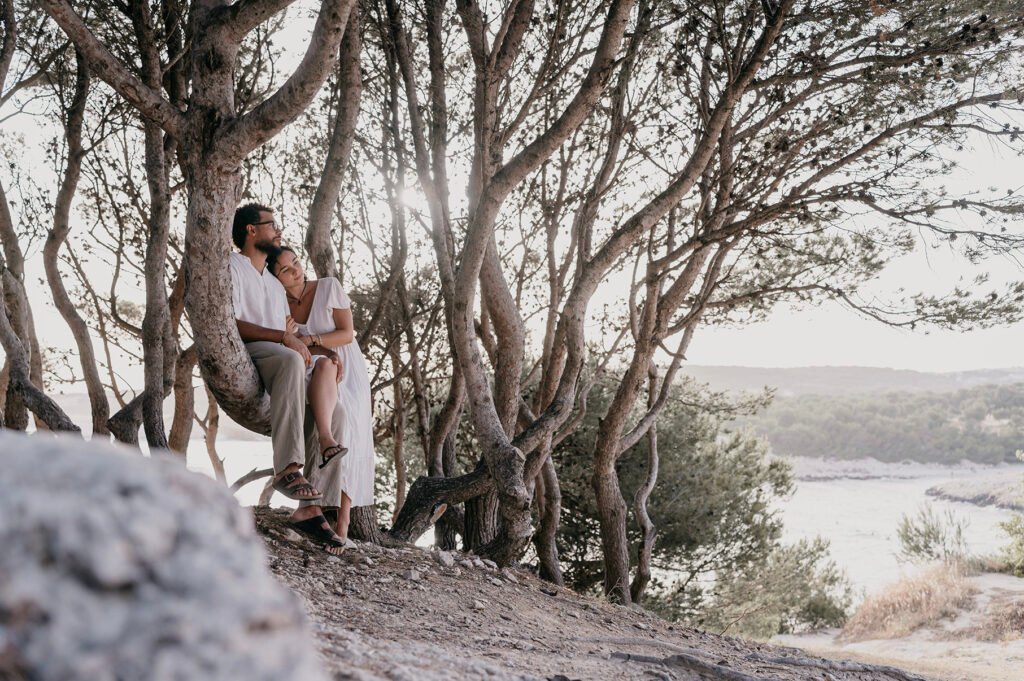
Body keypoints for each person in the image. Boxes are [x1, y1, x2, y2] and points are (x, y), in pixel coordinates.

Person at [229, 203, 349, 555]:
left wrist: (322, 354)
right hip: (251, 354)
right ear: (252, 231)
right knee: (290, 359)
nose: (278, 232)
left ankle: (311, 509)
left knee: (335, 413)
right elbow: (232, 324)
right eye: (271, 225)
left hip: (282, 360)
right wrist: (284, 339)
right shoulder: (232, 266)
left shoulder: (272, 282)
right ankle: (289, 469)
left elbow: (289, 331)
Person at [267, 245, 375, 544]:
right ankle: (315, 508)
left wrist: (310, 337)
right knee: (333, 419)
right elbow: (289, 345)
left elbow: (347, 333)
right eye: (285, 270)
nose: (296, 270)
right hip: (311, 364)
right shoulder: (278, 304)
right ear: (276, 278)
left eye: (296, 262)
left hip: (347, 365)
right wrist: (294, 337)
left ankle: (344, 523)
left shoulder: (328, 287)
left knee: (352, 428)